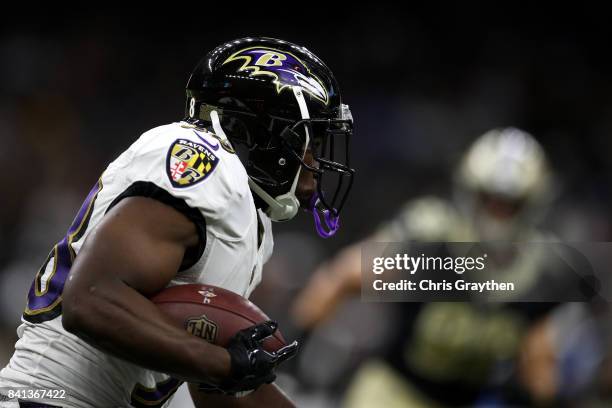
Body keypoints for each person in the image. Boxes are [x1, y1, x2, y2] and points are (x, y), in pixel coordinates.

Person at [0, 37, 355, 408]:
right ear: (260, 132)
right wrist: (222, 363)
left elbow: (217, 388)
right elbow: (91, 300)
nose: (315, 165)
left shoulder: (251, 221)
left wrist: (233, 366)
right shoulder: (203, 161)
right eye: (308, 142)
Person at [291, 128, 583, 407]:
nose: (498, 215)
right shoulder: (430, 236)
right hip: (393, 394)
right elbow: (341, 277)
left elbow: (539, 368)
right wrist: (292, 357)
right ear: (470, 192)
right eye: (490, 200)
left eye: (510, 204)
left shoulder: (542, 271)